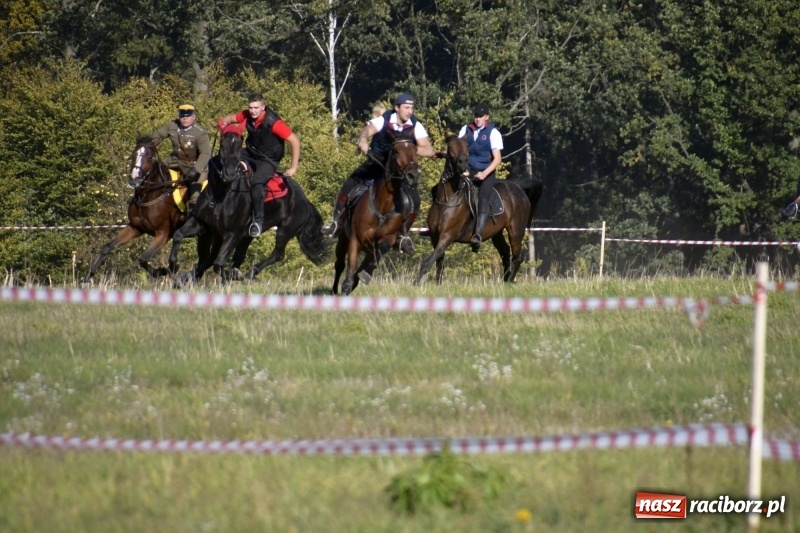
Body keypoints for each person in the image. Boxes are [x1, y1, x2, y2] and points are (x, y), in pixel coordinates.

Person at [322, 93, 440, 256]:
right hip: (377, 162)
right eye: (406, 108)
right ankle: (336, 223)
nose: (409, 111)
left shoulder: (415, 125)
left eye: (411, 108)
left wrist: (405, 148)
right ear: (396, 108)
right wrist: (363, 140)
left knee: (416, 200)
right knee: (350, 183)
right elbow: (367, 130)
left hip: (398, 170)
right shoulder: (384, 120)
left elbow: (427, 148)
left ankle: (402, 236)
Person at [218, 93, 301, 237]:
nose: (252, 111)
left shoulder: (275, 123)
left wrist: (293, 167)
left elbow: (295, 141)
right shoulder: (246, 115)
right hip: (250, 153)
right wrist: (223, 129)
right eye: (250, 107)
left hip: (268, 160)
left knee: (257, 182)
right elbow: (229, 119)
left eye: (256, 108)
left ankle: (258, 221)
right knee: (227, 165)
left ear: (263, 107)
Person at [146, 104, 212, 210]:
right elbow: (158, 135)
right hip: (174, 161)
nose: (184, 118)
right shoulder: (172, 126)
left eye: (188, 115)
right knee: (155, 176)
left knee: (195, 195)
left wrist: (196, 170)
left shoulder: (200, 133)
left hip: (193, 165)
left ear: (194, 117)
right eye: (182, 116)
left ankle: (192, 217)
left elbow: (206, 154)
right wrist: (146, 144)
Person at [457, 102, 503, 251]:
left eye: (480, 116)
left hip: (486, 172)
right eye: (476, 116)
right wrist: (463, 170)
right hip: (468, 170)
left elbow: (497, 159)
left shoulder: (493, 133)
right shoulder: (465, 129)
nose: (477, 119)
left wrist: (484, 173)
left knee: (483, 199)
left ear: (486, 117)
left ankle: (477, 235)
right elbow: (459, 150)